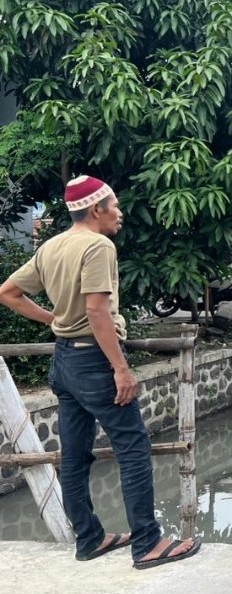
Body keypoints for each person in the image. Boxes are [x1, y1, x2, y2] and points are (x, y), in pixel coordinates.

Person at [0, 175, 200, 568]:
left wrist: (54, 320)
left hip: (64, 361)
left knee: (75, 456)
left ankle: (89, 539)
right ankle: (148, 542)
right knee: (134, 448)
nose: (120, 212)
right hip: (94, 361)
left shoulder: (52, 245)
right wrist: (121, 369)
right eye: (115, 205)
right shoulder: (97, 245)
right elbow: (96, 310)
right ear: (97, 209)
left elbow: (7, 291)